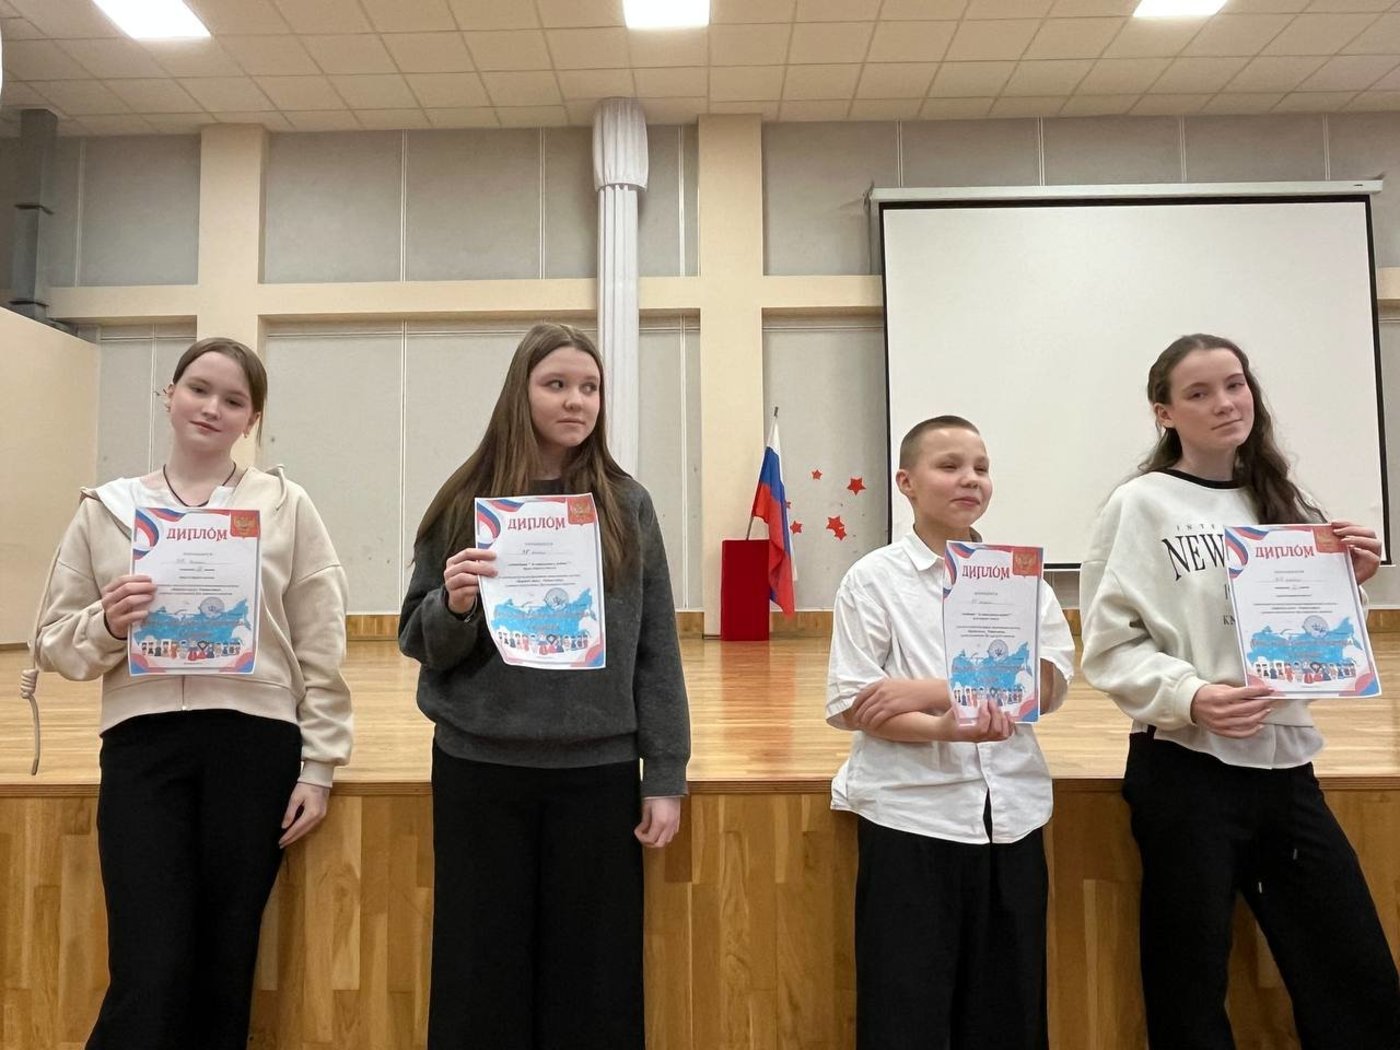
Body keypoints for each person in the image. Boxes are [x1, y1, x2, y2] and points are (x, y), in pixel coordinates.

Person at [28, 336, 353, 1050]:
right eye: (199, 389)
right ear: (168, 395)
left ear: (252, 420)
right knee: (148, 965)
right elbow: (53, 642)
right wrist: (109, 622)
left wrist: (320, 765)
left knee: (224, 964)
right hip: (143, 748)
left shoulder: (286, 505)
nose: (212, 407)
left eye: (233, 399)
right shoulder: (106, 509)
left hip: (256, 746)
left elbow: (321, 640)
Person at [1080, 333, 1400, 1048]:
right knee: (1188, 980)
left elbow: (1314, 640)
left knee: (1354, 971)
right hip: (1185, 769)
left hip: (1286, 765)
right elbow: (1108, 646)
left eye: (1234, 384)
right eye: (1198, 393)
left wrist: (1349, 584)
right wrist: (1190, 695)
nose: (1225, 403)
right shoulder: (1140, 505)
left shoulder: (1283, 504)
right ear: (1165, 414)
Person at [399, 321, 691, 1050]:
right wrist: (454, 605)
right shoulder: (465, 501)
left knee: (595, 983)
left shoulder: (627, 505)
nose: (575, 401)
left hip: (597, 772)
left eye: (589, 387)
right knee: (479, 974)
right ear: (520, 393)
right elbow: (417, 639)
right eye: (556, 384)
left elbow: (657, 647)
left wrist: (666, 772)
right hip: (478, 768)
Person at [826, 414, 1074, 1050]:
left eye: (981, 468)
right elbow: (857, 704)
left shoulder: (1021, 577)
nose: (971, 479)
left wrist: (928, 690)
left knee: (1009, 1014)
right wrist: (946, 728)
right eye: (950, 466)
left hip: (1012, 815)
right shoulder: (873, 580)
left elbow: (1046, 684)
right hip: (910, 817)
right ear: (906, 483)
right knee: (906, 1013)